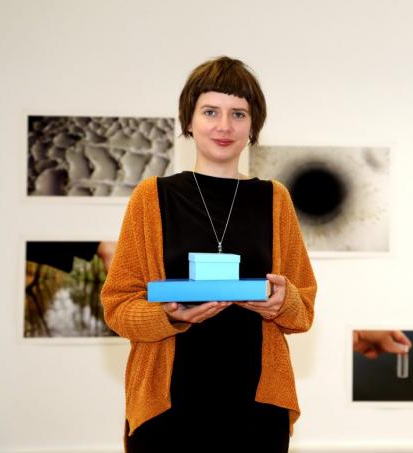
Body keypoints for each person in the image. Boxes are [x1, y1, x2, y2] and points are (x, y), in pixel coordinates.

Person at [101, 56, 316, 452]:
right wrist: (167, 314)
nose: (224, 126)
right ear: (188, 120)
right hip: (168, 410)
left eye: (238, 114)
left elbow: (304, 309)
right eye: (210, 111)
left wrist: (282, 303)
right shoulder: (153, 196)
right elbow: (117, 306)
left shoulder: (275, 199)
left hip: (255, 410)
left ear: (253, 127)